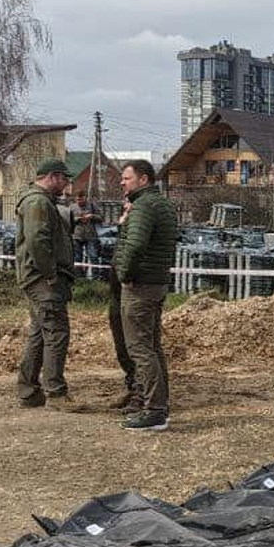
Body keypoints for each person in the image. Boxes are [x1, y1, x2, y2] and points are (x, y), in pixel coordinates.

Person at [113, 160, 179, 432]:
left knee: (140, 348)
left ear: (143, 180)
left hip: (140, 285)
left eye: (126, 178)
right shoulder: (162, 204)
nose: (122, 182)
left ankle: (154, 411)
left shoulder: (143, 206)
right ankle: (160, 405)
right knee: (152, 346)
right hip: (157, 281)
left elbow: (136, 244)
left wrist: (124, 273)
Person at [13, 159, 76, 408]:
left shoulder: (40, 201)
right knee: (57, 333)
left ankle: (29, 391)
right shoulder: (38, 202)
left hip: (37, 277)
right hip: (43, 279)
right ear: (52, 176)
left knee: (40, 334)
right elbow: (37, 240)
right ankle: (56, 393)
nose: (66, 184)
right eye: (64, 179)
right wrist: (50, 273)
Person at [105, 197, 139, 411]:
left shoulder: (140, 227)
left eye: (129, 202)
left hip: (131, 291)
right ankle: (132, 385)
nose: (125, 206)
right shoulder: (126, 228)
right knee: (121, 343)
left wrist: (125, 276)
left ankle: (141, 392)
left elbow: (134, 253)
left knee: (135, 345)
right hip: (117, 293)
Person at [71, 193, 103, 270]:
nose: (80, 201)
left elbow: (101, 218)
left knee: (93, 256)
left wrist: (92, 216)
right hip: (77, 236)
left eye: (81, 199)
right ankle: (78, 275)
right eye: (78, 200)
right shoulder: (72, 207)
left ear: (85, 198)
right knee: (77, 258)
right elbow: (68, 220)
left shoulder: (92, 206)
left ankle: (95, 275)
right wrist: (78, 218)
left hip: (90, 236)